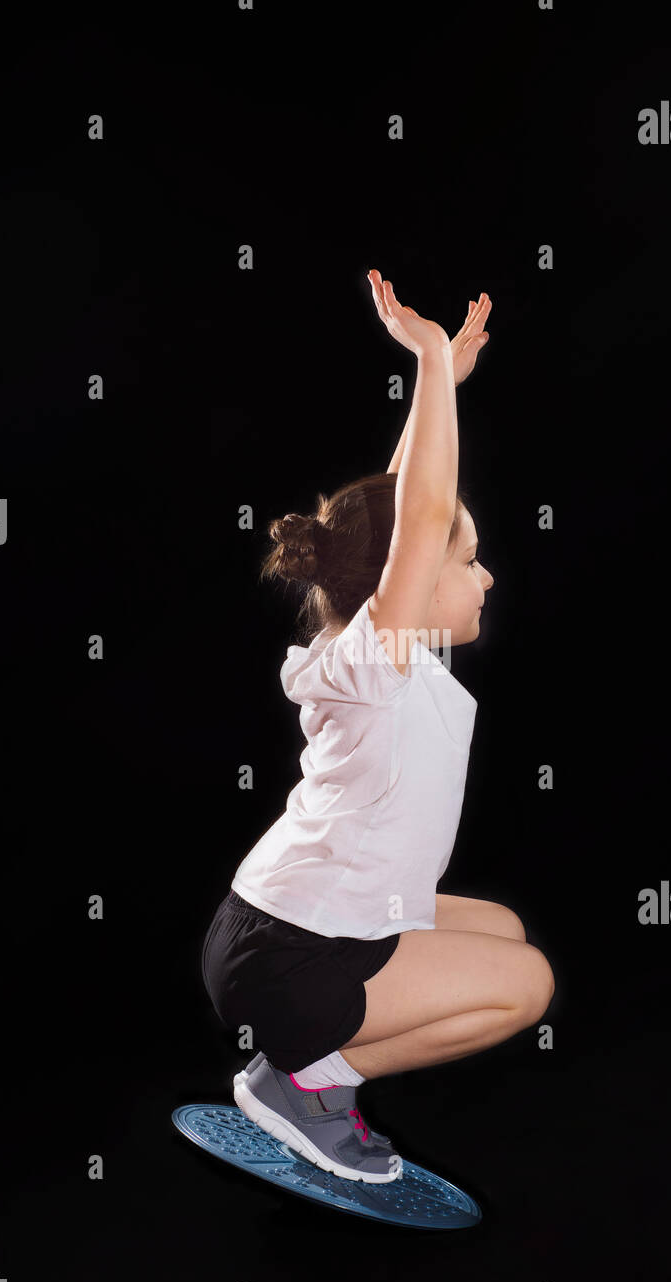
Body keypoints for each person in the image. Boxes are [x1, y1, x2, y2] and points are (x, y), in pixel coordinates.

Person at [201, 270, 554, 1183]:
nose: (485, 578)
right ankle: (308, 1085)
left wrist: (443, 388)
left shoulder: (377, 643)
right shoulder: (374, 660)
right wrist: (431, 360)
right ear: (405, 583)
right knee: (527, 988)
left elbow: (403, 514)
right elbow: (420, 520)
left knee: (505, 933)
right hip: (286, 960)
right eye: (467, 562)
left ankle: (301, 1062)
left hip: (292, 930)